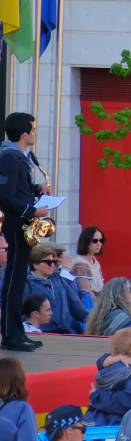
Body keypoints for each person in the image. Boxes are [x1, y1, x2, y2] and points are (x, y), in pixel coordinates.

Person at [0, 112, 51, 351]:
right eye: (34, 129)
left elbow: (18, 189)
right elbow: (5, 196)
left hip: (23, 224)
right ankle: (11, 335)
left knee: (18, 280)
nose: (36, 133)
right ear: (24, 134)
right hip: (17, 225)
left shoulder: (18, 157)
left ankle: (16, 332)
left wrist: (37, 188)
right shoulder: (10, 157)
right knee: (14, 280)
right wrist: (33, 211)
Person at [88, 327, 131, 426]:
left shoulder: (109, 365)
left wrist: (97, 396)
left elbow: (101, 361)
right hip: (116, 426)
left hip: (95, 421)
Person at [23, 244, 89, 333]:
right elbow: (22, 311)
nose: (52, 265)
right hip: (40, 333)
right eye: (48, 262)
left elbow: (75, 304)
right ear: (35, 265)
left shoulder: (61, 278)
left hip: (66, 331)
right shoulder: (26, 283)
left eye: (54, 262)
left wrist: (94, 320)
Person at [70, 225, 107, 291]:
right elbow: (86, 291)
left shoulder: (95, 262)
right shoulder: (79, 263)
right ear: (86, 241)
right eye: (95, 241)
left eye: (101, 240)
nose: (99, 244)